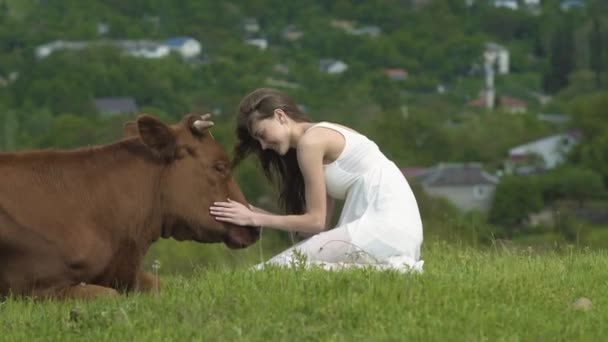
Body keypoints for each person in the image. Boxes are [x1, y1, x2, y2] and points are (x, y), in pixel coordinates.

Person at [209, 88, 423, 271]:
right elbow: (316, 227)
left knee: (267, 273)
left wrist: (255, 219)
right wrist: (257, 213)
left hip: (384, 227)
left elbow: (316, 221)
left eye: (262, 134)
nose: (263, 146)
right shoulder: (316, 138)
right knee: (291, 269)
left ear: (280, 116)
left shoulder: (311, 143)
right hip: (396, 228)